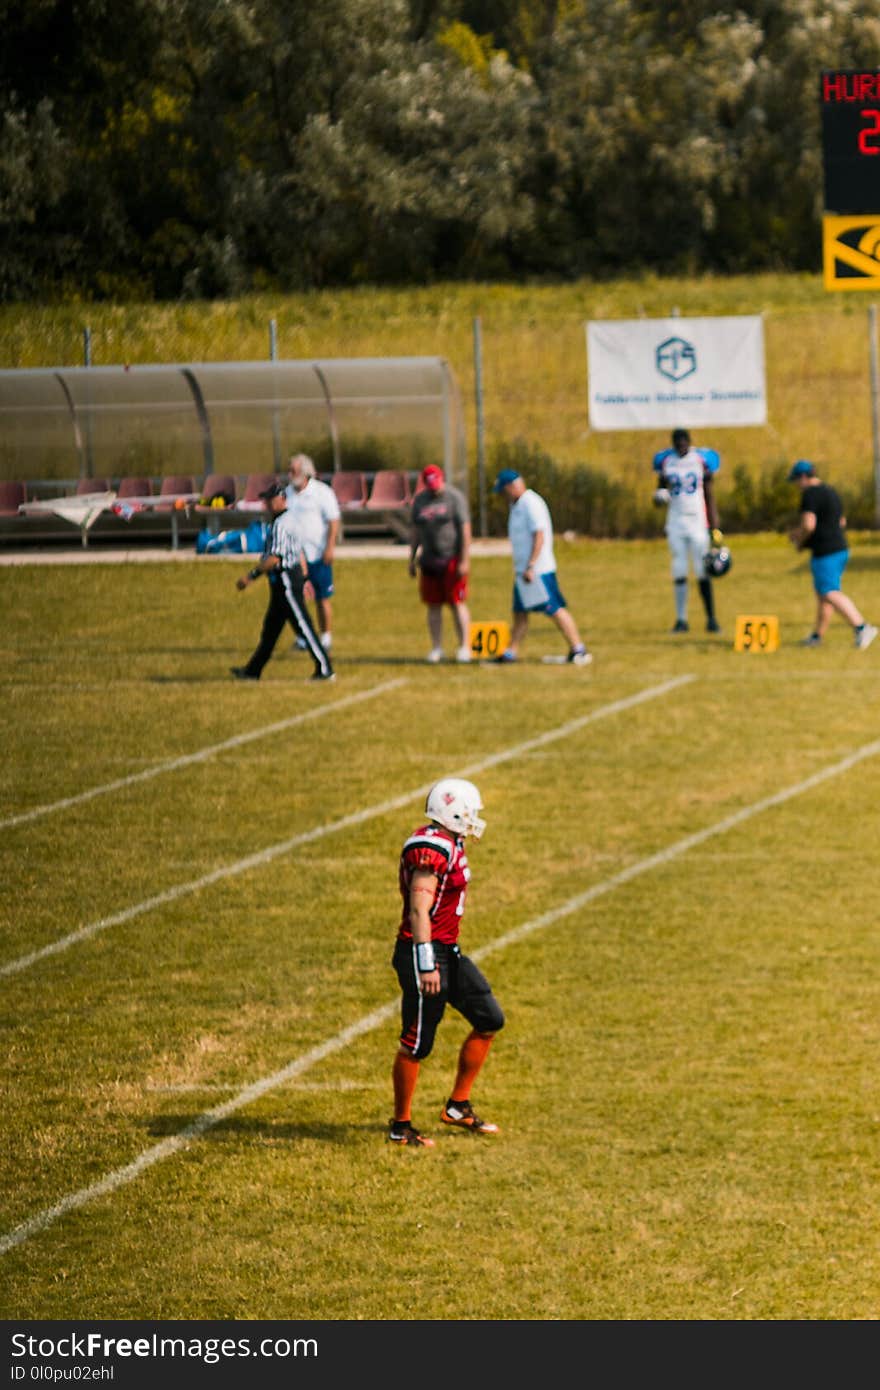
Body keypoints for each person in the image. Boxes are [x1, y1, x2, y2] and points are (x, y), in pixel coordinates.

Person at [389, 777, 504, 1147]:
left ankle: (457, 1106)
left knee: (489, 1018)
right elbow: (420, 909)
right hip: (423, 951)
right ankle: (400, 1125)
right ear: (452, 811)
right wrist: (426, 963)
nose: (473, 819)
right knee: (417, 1043)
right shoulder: (432, 849)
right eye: (469, 812)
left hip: (447, 950)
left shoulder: (450, 843)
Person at [231, 482, 335, 682]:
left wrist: (250, 576)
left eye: (271, 499)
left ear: (282, 499)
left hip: (286, 579)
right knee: (270, 630)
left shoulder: (281, 523)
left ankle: (325, 668)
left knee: (303, 626)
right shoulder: (291, 519)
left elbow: (275, 557)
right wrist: (304, 578)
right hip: (287, 579)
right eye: (266, 500)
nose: (268, 504)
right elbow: (299, 551)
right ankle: (253, 671)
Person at [491, 468, 591, 665]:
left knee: (554, 609)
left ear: (513, 486)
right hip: (522, 570)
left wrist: (531, 565)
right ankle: (511, 651)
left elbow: (540, 535)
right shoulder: (517, 505)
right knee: (519, 613)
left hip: (537, 570)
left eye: (504, 491)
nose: (503, 496)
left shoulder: (531, 503)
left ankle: (578, 648)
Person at [787, 459, 877, 650]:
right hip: (840, 548)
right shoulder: (830, 491)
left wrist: (798, 540)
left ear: (803, 477)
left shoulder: (810, 494)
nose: (796, 485)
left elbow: (808, 524)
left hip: (826, 551)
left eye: (796, 480)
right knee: (824, 595)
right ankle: (817, 636)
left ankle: (861, 627)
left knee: (829, 592)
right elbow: (841, 521)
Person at [652, 427, 723, 634]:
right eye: (678, 442)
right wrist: (658, 497)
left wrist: (715, 526)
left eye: (684, 442)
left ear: (689, 442)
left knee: (702, 570)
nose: (681, 446)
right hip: (675, 521)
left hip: (697, 520)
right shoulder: (666, 461)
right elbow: (660, 490)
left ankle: (711, 619)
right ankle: (681, 619)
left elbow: (709, 494)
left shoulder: (700, 459)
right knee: (679, 569)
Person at [408, 464, 473, 664]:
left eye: (436, 483)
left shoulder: (454, 498)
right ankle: (437, 648)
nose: (434, 488)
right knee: (433, 605)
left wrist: (464, 559)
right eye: (430, 485)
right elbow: (416, 531)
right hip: (429, 559)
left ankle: (465, 647)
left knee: (457, 603)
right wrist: (412, 558)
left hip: (452, 558)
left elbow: (465, 529)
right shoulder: (420, 501)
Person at [285, 453, 341, 651]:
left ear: (305, 472)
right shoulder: (287, 494)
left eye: (294, 470)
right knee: (297, 599)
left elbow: (333, 521)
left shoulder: (322, 492)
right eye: (290, 470)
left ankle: (325, 636)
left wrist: (330, 547)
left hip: (317, 554)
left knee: (322, 597)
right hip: (294, 557)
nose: (290, 474)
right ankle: (303, 636)